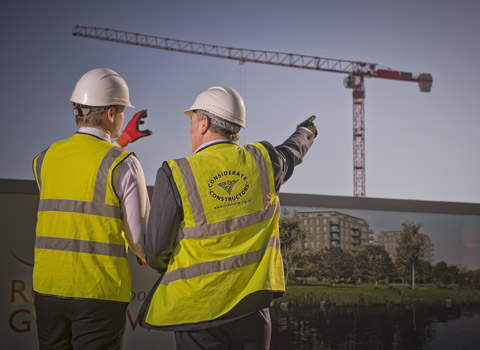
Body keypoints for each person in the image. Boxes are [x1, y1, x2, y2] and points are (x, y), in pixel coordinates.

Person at [140, 86, 317, 349]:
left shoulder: (175, 173)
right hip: (253, 308)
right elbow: (292, 152)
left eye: (191, 121)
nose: (189, 129)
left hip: (198, 310)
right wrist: (306, 132)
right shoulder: (263, 160)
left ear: (204, 123)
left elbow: (155, 252)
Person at [32, 68, 152, 349]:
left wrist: (120, 142)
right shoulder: (124, 164)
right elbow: (138, 238)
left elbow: (80, 187)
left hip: (48, 290)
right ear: (111, 114)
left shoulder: (45, 159)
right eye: (121, 111)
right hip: (99, 293)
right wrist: (149, 256)